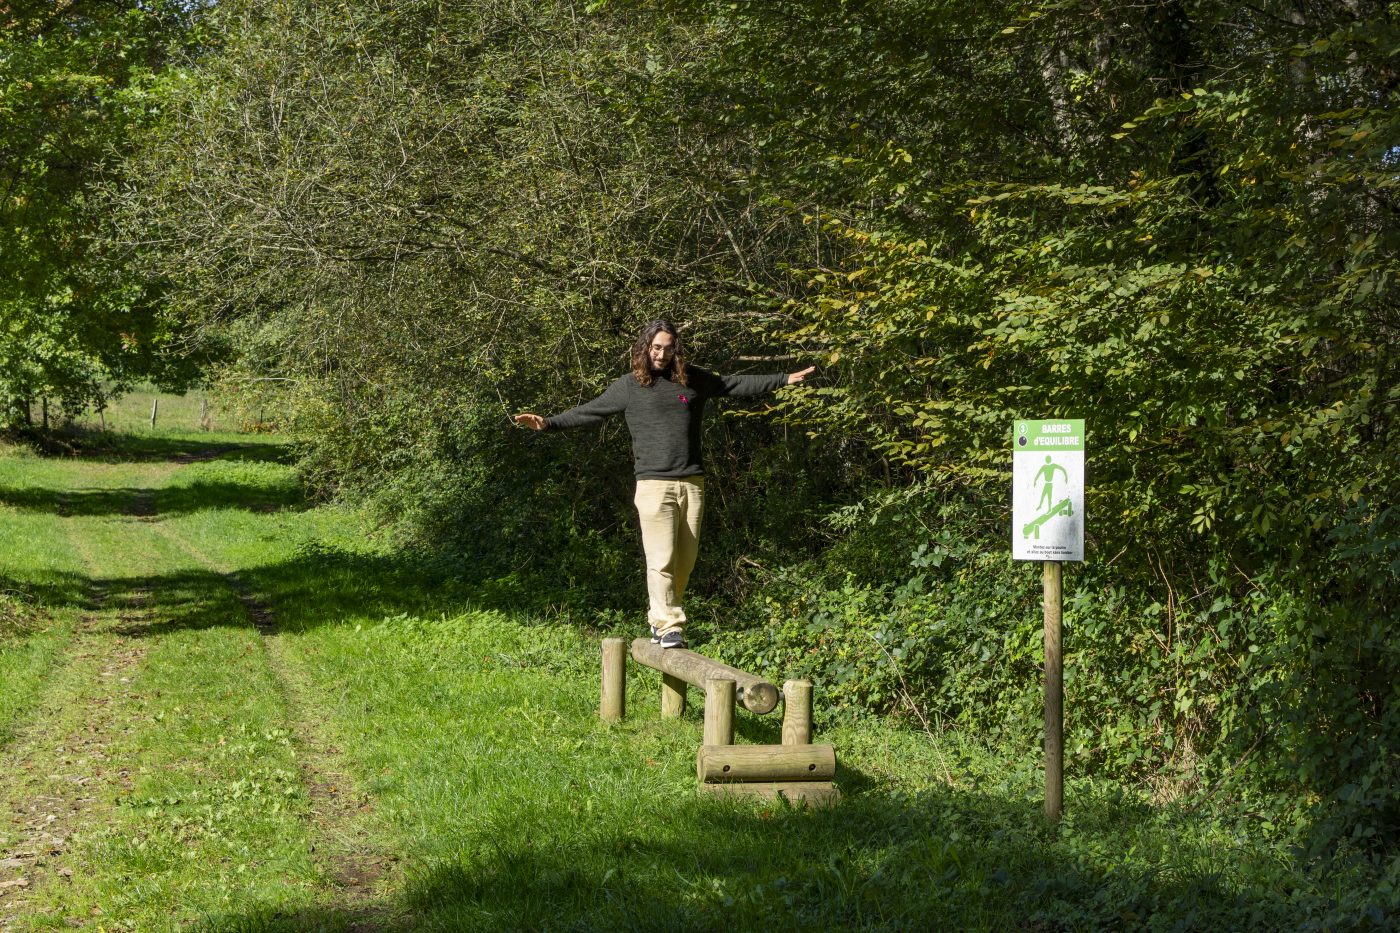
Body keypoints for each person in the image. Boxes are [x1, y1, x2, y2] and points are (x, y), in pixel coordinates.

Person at [514, 321, 813, 649]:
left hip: (692, 484)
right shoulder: (629, 386)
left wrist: (783, 379)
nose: (661, 354)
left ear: (676, 349)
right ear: (645, 348)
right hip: (654, 485)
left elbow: (733, 384)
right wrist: (548, 423)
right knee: (661, 558)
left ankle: (660, 619)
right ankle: (669, 624)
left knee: (684, 560)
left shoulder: (692, 380)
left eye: (668, 348)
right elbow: (591, 412)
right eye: (656, 348)